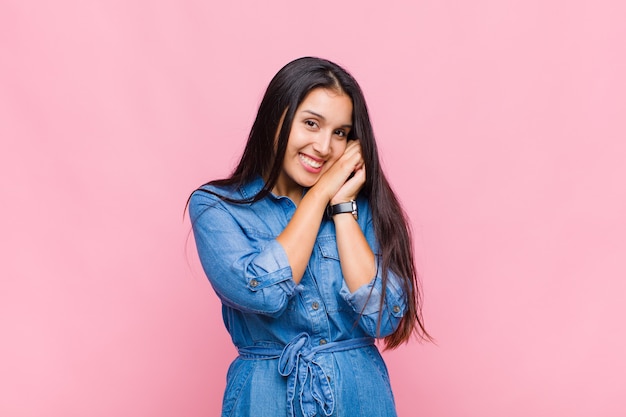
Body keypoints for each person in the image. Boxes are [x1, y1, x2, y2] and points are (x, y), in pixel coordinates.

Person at [188, 57, 430, 417]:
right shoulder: (217, 207)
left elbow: (382, 319)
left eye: (340, 133)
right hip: (264, 400)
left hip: (360, 399)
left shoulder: (362, 208)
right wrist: (319, 197)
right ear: (276, 118)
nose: (323, 146)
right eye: (311, 124)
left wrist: (343, 205)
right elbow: (264, 293)